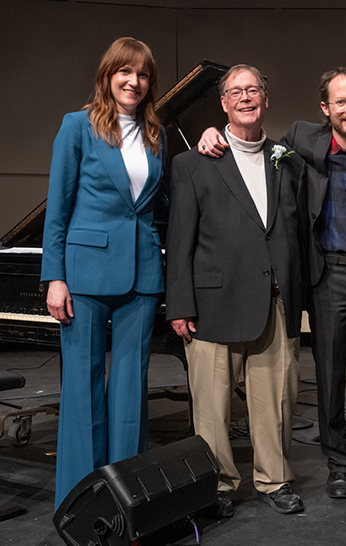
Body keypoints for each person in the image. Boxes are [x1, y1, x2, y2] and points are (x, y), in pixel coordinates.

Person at [198, 67, 346, 499]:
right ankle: (338, 460)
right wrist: (212, 131)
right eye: (341, 102)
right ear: (326, 108)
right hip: (329, 275)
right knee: (330, 375)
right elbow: (252, 144)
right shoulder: (302, 139)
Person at [166, 64, 306, 517]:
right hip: (211, 305)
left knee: (276, 403)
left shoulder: (288, 160)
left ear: (265, 100)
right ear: (223, 103)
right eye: (235, 92)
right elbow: (180, 238)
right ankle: (219, 485)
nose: (245, 98)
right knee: (212, 410)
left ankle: (274, 479)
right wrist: (180, 304)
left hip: (274, 303)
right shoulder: (192, 163)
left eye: (253, 90)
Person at [41, 37, 166, 509]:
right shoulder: (77, 127)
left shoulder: (157, 132)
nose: (134, 82)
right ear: (108, 75)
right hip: (85, 273)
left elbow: (154, 207)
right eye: (125, 72)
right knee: (82, 387)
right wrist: (55, 276)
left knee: (131, 390)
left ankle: (127, 498)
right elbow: (59, 208)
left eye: (143, 74)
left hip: (141, 276)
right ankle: (79, 500)